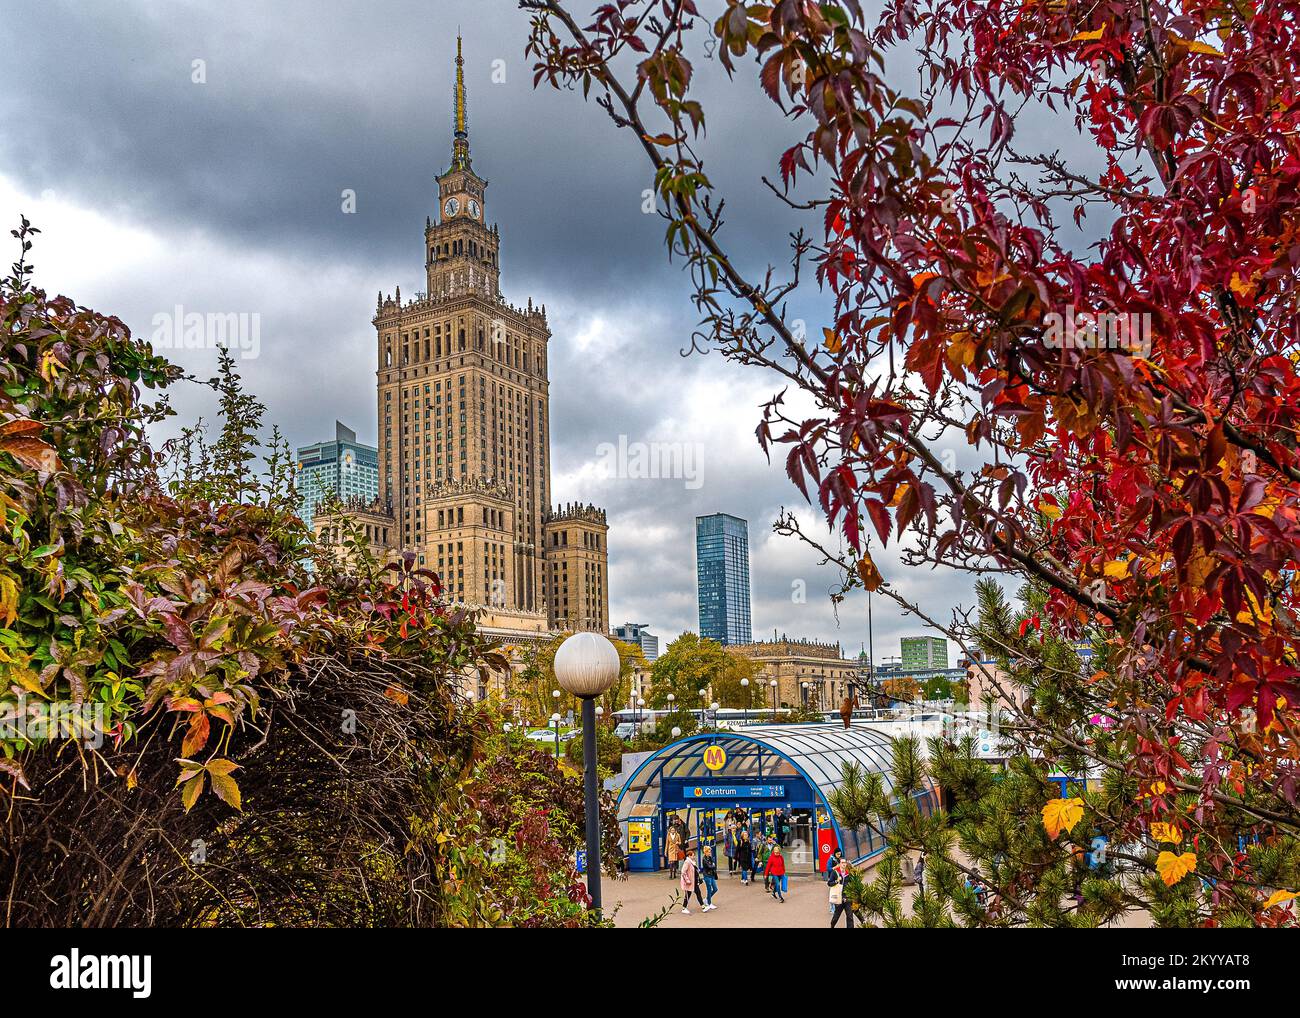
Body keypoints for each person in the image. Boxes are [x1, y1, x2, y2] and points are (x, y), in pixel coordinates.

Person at [829, 858, 854, 928]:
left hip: (847, 898)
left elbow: (851, 885)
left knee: (850, 916)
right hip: (839, 898)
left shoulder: (848, 874)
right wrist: (836, 881)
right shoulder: (835, 872)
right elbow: (829, 883)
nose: (844, 864)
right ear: (839, 864)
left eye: (845, 863)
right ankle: (832, 925)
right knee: (836, 917)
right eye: (842, 862)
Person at [680, 850, 703, 914]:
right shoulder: (687, 862)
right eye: (693, 855)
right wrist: (687, 880)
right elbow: (683, 872)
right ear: (689, 856)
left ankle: (703, 906)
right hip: (690, 882)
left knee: (698, 893)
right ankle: (684, 908)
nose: (694, 856)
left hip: (694, 881)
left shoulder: (692, 862)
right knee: (688, 894)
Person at [700, 845, 719, 911]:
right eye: (708, 851)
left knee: (715, 889)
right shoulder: (704, 858)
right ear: (705, 852)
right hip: (707, 875)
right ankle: (709, 903)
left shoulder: (710, 858)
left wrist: (712, 865)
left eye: (710, 851)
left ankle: (707, 899)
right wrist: (712, 865)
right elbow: (709, 866)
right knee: (709, 889)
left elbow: (713, 865)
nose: (710, 853)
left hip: (712, 875)